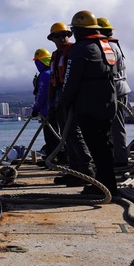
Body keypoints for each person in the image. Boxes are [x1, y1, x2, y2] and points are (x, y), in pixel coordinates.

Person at [62, 10, 118, 196]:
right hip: (108, 101)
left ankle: (103, 186)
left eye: (75, 29)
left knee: (96, 146)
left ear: (79, 30)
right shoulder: (106, 46)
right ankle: (108, 182)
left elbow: (72, 78)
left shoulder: (80, 49)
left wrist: (64, 101)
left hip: (88, 104)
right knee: (105, 145)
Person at [47, 21, 91, 184]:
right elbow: (53, 82)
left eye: (65, 35)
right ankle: (73, 170)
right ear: (52, 39)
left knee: (74, 133)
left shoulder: (74, 51)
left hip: (71, 96)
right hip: (59, 97)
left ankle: (86, 169)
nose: (62, 38)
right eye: (58, 36)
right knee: (66, 136)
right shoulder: (54, 56)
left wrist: (71, 97)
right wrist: (50, 103)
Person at [97, 17, 131, 167]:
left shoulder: (108, 47)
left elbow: (109, 70)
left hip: (115, 89)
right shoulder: (113, 45)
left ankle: (120, 159)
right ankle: (115, 155)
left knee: (117, 126)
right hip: (119, 87)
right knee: (114, 126)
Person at [31, 48, 58, 162]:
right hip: (55, 109)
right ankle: (56, 157)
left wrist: (36, 108)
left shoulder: (45, 75)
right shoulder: (52, 72)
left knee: (51, 136)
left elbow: (41, 93)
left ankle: (54, 158)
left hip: (48, 111)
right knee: (56, 135)